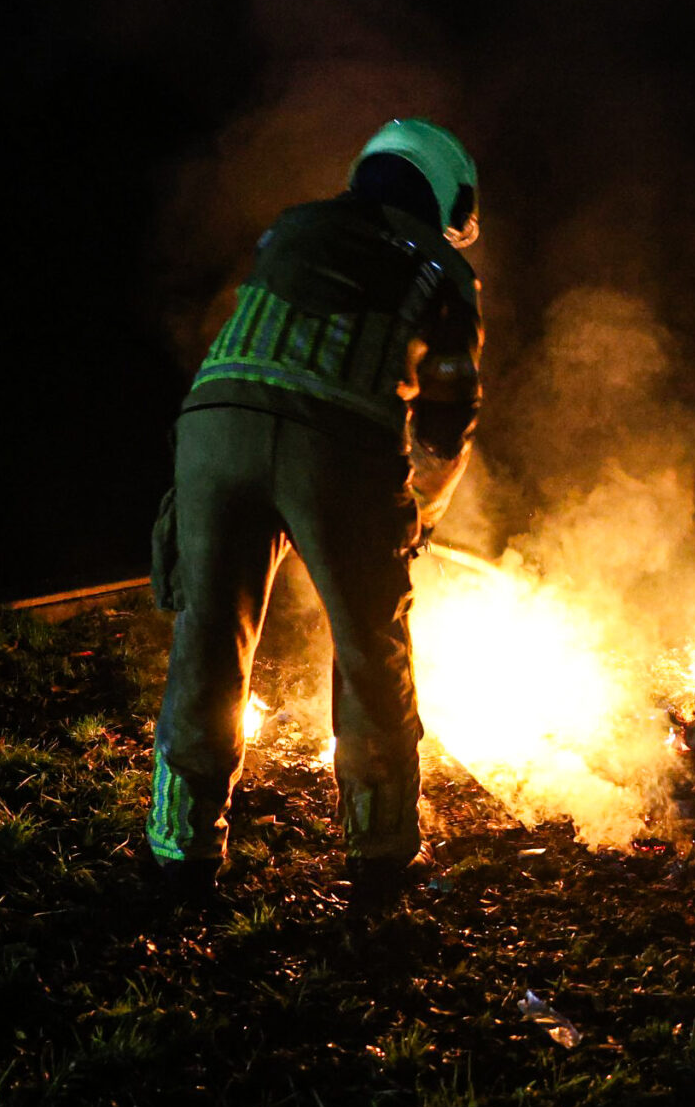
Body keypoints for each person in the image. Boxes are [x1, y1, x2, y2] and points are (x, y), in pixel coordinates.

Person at [145, 119, 484, 903]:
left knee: (207, 639)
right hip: (339, 444)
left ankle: (180, 857)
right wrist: (418, 518)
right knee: (370, 651)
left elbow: (275, 352)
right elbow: (446, 418)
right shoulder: (445, 270)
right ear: (441, 193)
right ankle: (381, 857)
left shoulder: (294, 227)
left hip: (210, 427)